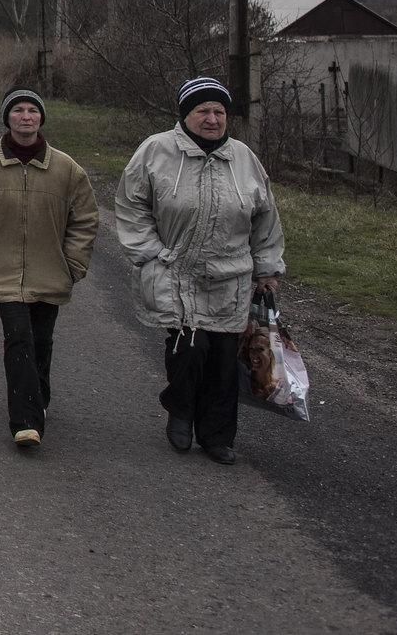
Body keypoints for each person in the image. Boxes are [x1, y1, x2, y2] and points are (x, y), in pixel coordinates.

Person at [116, 77, 286, 465]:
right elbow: (131, 204)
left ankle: (217, 436)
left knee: (224, 361)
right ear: (185, 115)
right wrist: (152, 253)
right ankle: (181, 411)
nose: (212, 119)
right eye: (203, 111)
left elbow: (265, 218)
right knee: (189, 350)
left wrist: (267, 268)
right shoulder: (155, 151)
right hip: (177, 270)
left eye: (219, 112)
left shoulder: (244, 158)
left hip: (232, 276)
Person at [0, 88, 98, 449]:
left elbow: (84, 219)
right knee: (18, 337)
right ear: (7, 118)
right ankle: (25, 421)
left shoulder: (66, 170)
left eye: (32, 111)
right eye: (18, 110)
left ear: (41, 119)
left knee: (41, 341)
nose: (26, 117)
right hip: (2, 271)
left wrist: (73, 264)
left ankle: (38, 402)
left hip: (51, 272)